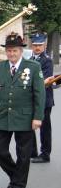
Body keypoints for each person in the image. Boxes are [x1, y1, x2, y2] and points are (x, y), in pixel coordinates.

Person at [0, 32, 45, 188]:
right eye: (9, 51)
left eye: (15, 51)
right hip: (3, 116)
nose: (11, 54)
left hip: (25, 118)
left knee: (23, 154)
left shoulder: (33, 67)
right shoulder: (1, 67)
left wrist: (38, 117)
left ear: (21, 51)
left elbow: (39, 94)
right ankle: (15, 176)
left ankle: (18, 187)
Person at [29, 33, 54, 163]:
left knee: (44, 128)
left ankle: (45, 154)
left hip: (44, 99)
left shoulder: (47, 60)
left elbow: (45, 80)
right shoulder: (29, 60)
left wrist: (29, 84)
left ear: (44, 45)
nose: (37, 47)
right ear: (31, 45)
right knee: (29, 126)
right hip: (31, 99)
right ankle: (32, 152)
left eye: (39, 45)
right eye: (35, 45)